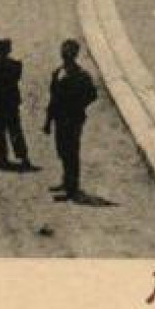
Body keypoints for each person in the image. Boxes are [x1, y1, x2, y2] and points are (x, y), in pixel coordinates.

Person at [43, 38, 98, 201]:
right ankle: (66, 181)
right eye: (63, 52)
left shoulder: (81, 75)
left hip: (73, 119)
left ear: (74, 55)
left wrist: (78, 106)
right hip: (59, 118)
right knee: (61, 150)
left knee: (71, 152)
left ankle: (72, 187)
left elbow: (92, 95)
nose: (65, 55)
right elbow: (52, 99)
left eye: (68, 53)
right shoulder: (57, 72)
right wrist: (48, 121)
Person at [0, 38, 31, 170]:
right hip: (10, 103)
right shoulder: (16, 65)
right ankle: (23, 157)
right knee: (15, 131)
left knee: (0, 132)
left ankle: (3, 158)